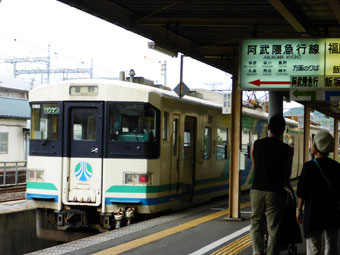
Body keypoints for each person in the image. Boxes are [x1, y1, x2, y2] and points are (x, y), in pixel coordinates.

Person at [250, 114, 293, 255]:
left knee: (256, 222)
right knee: (273, 226)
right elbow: (287, 173)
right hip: (275, 191)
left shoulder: (257, 144)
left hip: (257, 189)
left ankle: (257, 252)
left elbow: (255, 165)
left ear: (269, 128)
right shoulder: (287, 149)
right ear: (283, 130)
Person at [296, 131, 340, 255]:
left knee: (314, 247)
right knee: (331, 245)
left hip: (313, 212)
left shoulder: (309, 167)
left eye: (313, 143)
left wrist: (299, 209)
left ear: (317, 146)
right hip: (332, 212)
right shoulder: (337, 167)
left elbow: (301, 192)